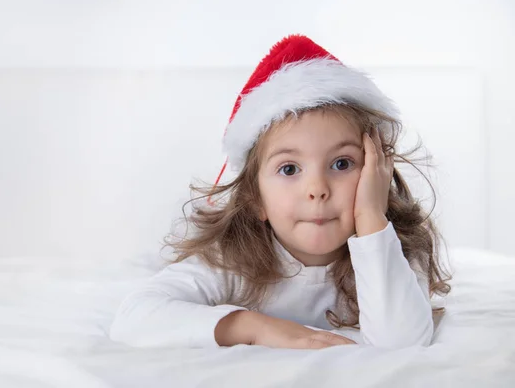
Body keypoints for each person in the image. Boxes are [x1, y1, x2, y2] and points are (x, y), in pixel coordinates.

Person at [110, 34, 451, 350]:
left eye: (343, 164)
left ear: (376, 173)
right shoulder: (231, 259)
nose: (317, 189)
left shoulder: (392, 247)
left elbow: (402, 345)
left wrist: (371, 217)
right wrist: (255, 327)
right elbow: (134, 317)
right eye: (289, 169)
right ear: (255, 198)